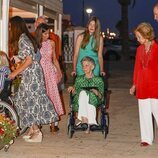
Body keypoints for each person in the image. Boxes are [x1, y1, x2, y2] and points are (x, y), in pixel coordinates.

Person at [8, 16, 58, 143]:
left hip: (32, 74)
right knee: (27, 100)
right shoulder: (26, 36)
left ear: (15, 27)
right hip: (34, 72)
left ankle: (36, 131)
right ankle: (32, 129)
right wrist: (19, 58)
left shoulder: (22, 39)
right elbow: (32, 55)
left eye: (10, 26)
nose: (9, 29)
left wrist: (14, 73)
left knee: (25, 101)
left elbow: (29, 60)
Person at [130, 22, 158, 147]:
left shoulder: (157, 49)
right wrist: (134, 84)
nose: (137, 39)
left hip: (155, 86)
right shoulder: (139, 49)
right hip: (142, 86)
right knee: (144, 113)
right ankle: (146, 139)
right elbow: (137, 68)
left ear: (146, 36)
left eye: (139, 37)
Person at [35, 23, 64, 132]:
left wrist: (59, 71)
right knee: (41, 96)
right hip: (39, 72)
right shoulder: (35, 44)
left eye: (48, 33)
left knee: (53, 95)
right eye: (45, 33)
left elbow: (55, 59)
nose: (47, 35)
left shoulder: (51, 43)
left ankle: (53, 124)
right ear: (40, 33)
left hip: (50, 71)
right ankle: (39, 122)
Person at [68, 56, 104, 133]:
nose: (84, 68)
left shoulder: (98, 80)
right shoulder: (79, 79)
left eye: (86, 65)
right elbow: (75, 92)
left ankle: (86, 121)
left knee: (90, 94)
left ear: (92, 67)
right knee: (83, 93)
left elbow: (102, 97)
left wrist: (97, 92)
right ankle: (88, 121)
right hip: (80, 100)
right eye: (83, 66)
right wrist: (72, 88)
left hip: (94, 100)